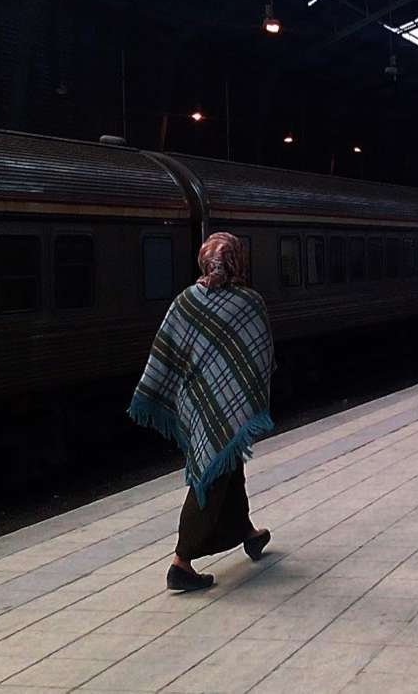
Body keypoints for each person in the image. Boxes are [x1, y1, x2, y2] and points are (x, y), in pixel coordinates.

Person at [128, 231, 276, 592]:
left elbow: (165, 351)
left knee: (228, 465)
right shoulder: (249, 302)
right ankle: (181, 562)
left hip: (196, 401)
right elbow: (262, 356)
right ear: (237, 260)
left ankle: (247, 532)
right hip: (229, 401)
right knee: (211, 473)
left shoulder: (185, 301)